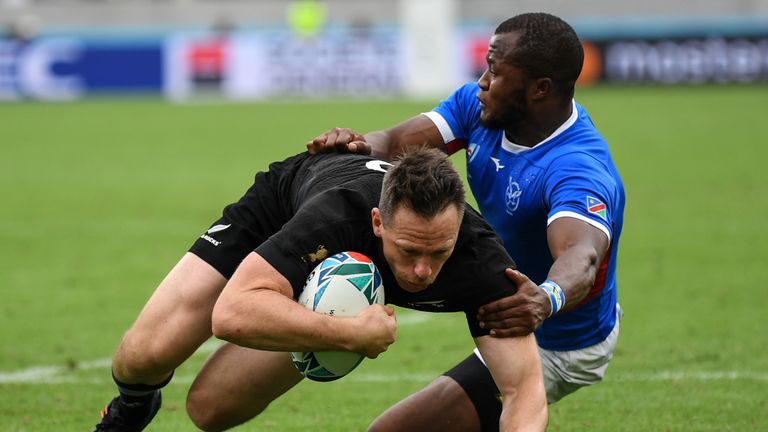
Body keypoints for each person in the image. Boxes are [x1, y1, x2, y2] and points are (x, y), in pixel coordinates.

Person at [307, 12, 626, 432]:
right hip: (504, 316)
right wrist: (358, 145)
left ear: (540, 89)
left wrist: (545, 298)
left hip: (560, 341)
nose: (482, 81)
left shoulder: (576, 167)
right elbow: (396, 142)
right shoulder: (479, 109)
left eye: (494, 70)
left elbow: (581, 257)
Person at [94, 148, 547, 432]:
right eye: (408, 251)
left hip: (334, 262)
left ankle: (303, 305)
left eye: (439, 252)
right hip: (280, 209)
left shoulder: (482, 262)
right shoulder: (339, 216)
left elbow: (524, 390)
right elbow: (229, 315)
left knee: (209, 410)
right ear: (377, 223)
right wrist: (349, 335)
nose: (423, 271)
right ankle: (134, 405)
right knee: (145, 355)